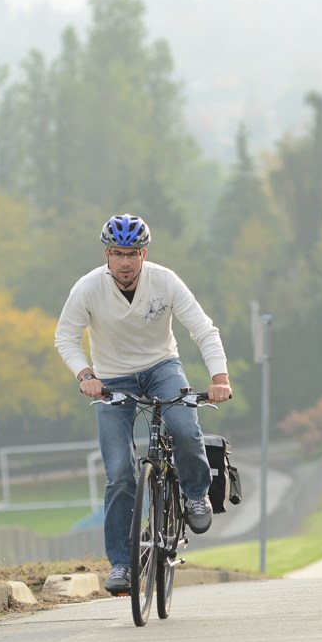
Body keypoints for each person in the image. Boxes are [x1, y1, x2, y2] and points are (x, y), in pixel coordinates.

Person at [55, 214, 232, 594]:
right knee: (120, 472)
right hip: (111, 378)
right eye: (117, 253)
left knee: (184, 427)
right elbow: (65, 337)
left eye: (132, 253)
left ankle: (196, 493)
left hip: (161, 368)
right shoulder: (87, 289)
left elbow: (202, 328)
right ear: (106, 254)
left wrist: (219, 377)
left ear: (143, 254)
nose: (124, 262)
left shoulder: (165, 281)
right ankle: (121, 563)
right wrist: (85, 375)